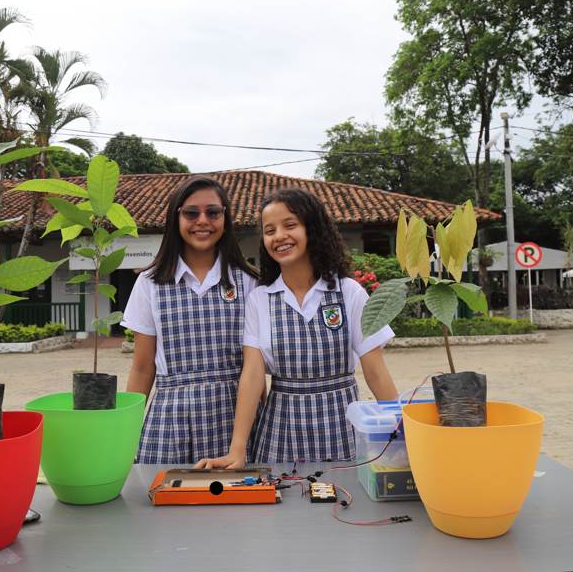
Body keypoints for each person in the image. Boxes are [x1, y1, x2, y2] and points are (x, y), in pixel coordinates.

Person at [197, 188, 398, 467]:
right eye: (269, 230)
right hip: (280, 430)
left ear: (312, 229)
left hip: (342, 427)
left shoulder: (348, 292)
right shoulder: (260, 299)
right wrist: (237, 450)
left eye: (290, 225)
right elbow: (253, 375)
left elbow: (375, 371)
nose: (279, 236)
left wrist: (402, 436)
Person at [123, 176, 258, 464]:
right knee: (164, 499)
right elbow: (143, 367)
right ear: (176, 218)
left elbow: (254, 366)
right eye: (191, 213)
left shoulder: (247, 280)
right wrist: (124, 434)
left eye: (213, 212)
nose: (202, 221)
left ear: (225, 217)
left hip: (235, 415)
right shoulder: (150, 283)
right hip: (171, 416)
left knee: (242, 503)